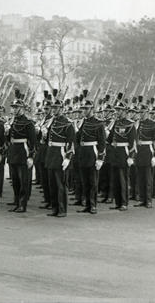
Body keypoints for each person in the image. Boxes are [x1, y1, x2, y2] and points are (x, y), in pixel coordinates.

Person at [45, 90, 75, 218]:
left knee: (61, 185)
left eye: (56, 108)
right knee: (52, 184)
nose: (54, 110)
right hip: (51, 154)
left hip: (61, 155)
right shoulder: (52, 121)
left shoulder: (68, 123)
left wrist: (68, 158)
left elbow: (71, 143)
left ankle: (62, 210)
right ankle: (55, 208)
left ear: (62, 109)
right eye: (53, 108)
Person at [5, 90, 36, 213]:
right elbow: (8, 139)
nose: (14, 109)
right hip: (13, 153)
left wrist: (31, 156)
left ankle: (23, 204)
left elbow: (33, 142)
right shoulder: (12, 121)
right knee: (15, 181)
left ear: (22, 108)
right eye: (13, 107)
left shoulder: (28, 123)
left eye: (16, 107)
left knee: (23, 181)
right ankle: (17, 202)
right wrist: (6, 133)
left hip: (23, 152)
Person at [75, 92, 106, 214]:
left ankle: (93, 205)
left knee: (93, 182)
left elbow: (102, 143)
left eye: (86, 109)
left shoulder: (98, 123)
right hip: (83, 154)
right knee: (85, 182)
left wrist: (100, 158)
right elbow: (78, 140)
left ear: (91, 109)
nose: (84, 111)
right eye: (83, 109)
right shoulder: (82, 122)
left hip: (92, 154)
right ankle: (87, 205)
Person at [106, 94, 136, 211]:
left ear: (125, 111)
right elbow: (110, 140)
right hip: (115, 153)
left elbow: (133, 143)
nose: (117, 112)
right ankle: (118, 203)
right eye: (117, 110)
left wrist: (131, 157)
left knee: (123, 179)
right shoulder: (116, 123)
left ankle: (124, 203)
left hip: (124, 153)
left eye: (119, 110)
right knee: (116, 180)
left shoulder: (130, 124)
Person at [134, 97, 155, 208]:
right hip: (139, 152)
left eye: (142, 112)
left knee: (148, 178)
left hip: (148, 152)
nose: (140, 114)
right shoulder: (137, 124)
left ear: (147, 112)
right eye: (139, 112)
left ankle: (148, 200)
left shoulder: (153, 124)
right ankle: (142, 199)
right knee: (140, 178)